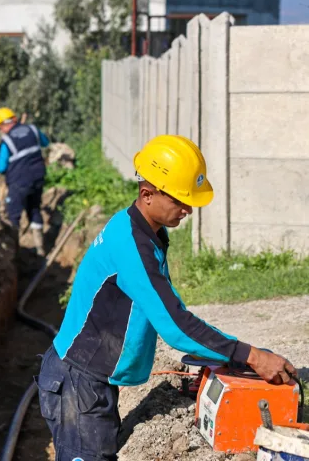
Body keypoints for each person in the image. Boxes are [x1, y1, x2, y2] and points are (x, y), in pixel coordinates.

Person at [35, 134, 297, 461]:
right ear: (148, 194)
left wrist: (226, 354)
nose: (188, 209)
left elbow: (168, 309)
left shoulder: (148, 231)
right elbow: (174, 325)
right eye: (180, 200)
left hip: (89, 381)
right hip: (77, 384)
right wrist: (250, 356)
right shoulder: (132, 246)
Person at [0, 106, 50, 255]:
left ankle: (14, 254)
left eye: (0, 127)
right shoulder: (32, 129)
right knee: (34, 209)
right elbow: (45, 142)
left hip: (19, 182)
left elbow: (1, 167)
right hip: (38, 177)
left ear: (4, 124)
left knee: (13, 214)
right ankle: (40, 248)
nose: (0, 131)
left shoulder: (7, 140)